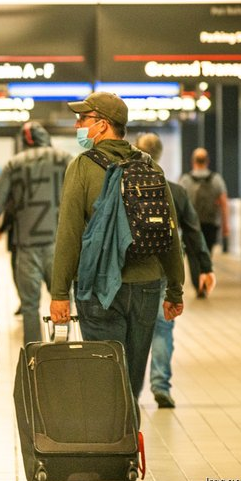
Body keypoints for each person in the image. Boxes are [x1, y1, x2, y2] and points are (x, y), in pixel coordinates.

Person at [50, 92, 184, 401]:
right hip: (148, 287)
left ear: (102, 125)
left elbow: (68, 234)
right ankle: (128, 444)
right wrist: (174, 289)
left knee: (107, 380)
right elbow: (169, 234)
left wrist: (59, 294)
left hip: (99, 288)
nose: (77, 124)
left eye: (83, 119)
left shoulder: (82, 166)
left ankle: (114, 446)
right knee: (130, 383)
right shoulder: (150, 167)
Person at [136, 133, 215, 408]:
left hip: (134, 272)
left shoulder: (127, 187)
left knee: (132, 331)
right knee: (162, 329)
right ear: (159, 155)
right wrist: (205, 266)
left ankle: (129, 391)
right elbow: (193, 232)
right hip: (166, 271)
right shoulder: (175, 191)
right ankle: (161, 386)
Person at [0, 122, 72, 346]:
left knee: (29, 305)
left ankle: (35, 354)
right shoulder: (64, 159)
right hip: (59, 244)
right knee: (61, 297)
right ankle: (62, 349)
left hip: (26, 245)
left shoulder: (14, 164)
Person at [179, 148, 230, 294]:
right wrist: (226, 224)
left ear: (193, 161)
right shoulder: (216, 179)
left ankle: (198, 285)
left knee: (193, 256)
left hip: (190, 224)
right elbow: (224, 203)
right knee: (206, 253)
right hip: (210, 223)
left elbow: (178, 202)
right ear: (207, 161)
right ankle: (205, 280)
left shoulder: (185, 179)